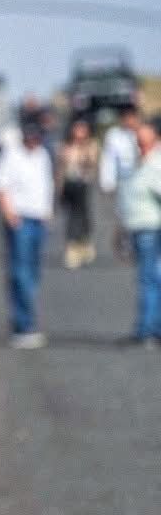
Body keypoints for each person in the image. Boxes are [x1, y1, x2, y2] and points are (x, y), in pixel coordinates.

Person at [0, 110, 53, 348]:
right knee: (20, 272)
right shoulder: (12, 155)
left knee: (33, 272)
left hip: (38, 218)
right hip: (20, 218)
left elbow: (46, 184)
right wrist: (10, 214)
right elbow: (0, 186)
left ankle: (24, 317)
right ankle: (24, 324)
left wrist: (47, 211)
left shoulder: (42, 155)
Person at [117, 114, 161, 346]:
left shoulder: (156, 162)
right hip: (139, 225)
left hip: (151, 227)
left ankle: (147, 329)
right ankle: (151, 327)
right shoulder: (139, 161)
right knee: (151, 277)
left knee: (149, 278)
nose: (139, 142)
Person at [55, 117, 99, 269]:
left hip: (84, 184)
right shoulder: (66, 146)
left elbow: (92, 163)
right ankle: (72, 246)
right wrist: (59, 187)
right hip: (69, 185)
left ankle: (84, 242)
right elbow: (61, 168)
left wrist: (83, 150)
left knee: (84, 214)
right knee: (72, 216)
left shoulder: (91, 145)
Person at [100, 103, 141, 261]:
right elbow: (108, 159)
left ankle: (138, 243)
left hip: (141, 178)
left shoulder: (141, 132)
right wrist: (107, 182)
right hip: (124, 179)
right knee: (124, 213)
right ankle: (126, 243)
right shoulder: (114, 135)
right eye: (126, 118)